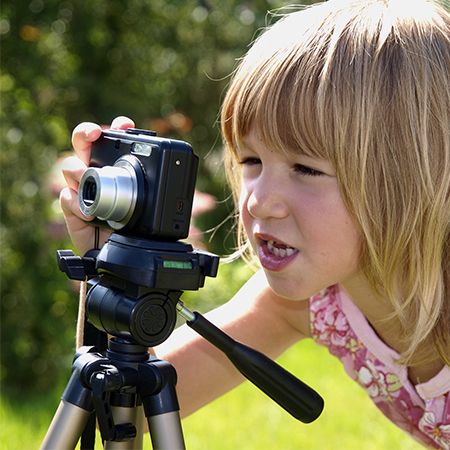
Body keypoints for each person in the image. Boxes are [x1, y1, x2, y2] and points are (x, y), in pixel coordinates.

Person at [59, 0, 450, 447]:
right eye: (251, 160)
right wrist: (113, 267)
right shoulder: (312, 303)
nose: (260, 201)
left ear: (414, 176)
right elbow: (122, 412)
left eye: (305, 168)